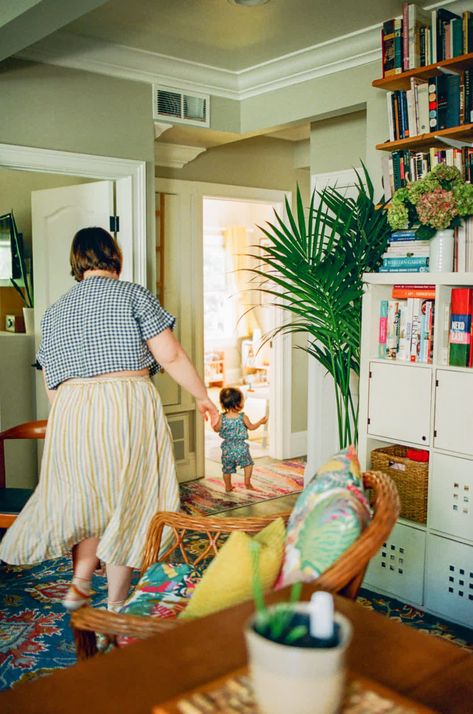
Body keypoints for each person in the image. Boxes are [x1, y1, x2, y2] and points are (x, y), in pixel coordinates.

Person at [0, 227, 218, 612]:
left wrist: (71, 418)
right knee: (129, 499)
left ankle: (81, 582)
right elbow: (170, 357)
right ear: (113, 255)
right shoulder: (134, 295)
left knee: (90, 497)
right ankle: (116, 603)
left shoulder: (55, 310)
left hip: (72, 408)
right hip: (125, 402)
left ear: (77, 261)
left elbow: (52, 381)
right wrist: (202, 397)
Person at [213, 386, 268, 492]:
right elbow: (251, 427)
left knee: (227, 469)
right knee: (248, 464)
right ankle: (247, 482)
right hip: (241, 448)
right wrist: (260, 423)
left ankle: (228, 486)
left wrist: (215, 417)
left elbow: (216, 429)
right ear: (238, 403)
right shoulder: (243, 417)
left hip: (227, 448)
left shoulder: (222, 418)